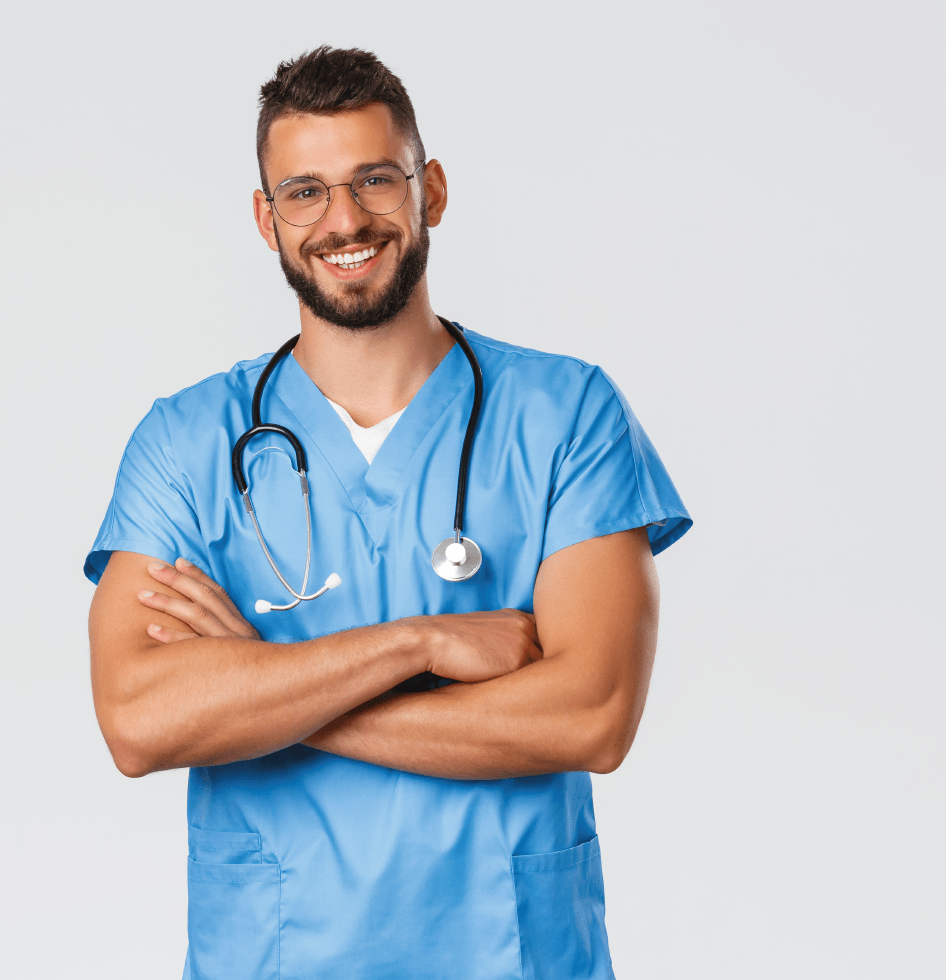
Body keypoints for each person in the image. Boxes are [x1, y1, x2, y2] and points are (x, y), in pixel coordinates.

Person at [85, 45, 691, 980]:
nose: (344, 221)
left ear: (429, 190)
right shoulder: (187, 441)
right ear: (266, 218)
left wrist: (263, 687)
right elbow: (138, 722)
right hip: (276, 958)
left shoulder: (564, 415)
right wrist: (416, 645)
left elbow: (591, 715)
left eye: (374, 179)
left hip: (511, 955)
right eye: (304, 193)